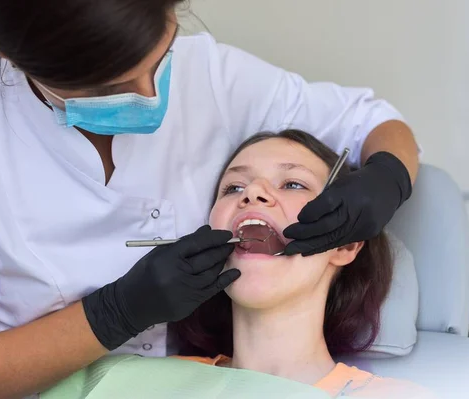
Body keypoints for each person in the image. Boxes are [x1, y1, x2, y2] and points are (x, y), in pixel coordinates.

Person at [0, 1, 419, 398]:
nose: (149, 93)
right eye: (232, 186)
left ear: (346, 246)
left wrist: (389, 177)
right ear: (12, 57)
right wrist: (114, 313)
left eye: (160, 60)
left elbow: (369, 122)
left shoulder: (209, 76)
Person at [168, 130, 431, 397]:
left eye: (293, 184)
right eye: (233, 187)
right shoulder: (155, 381)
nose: (252, 191)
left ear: (344, 244)